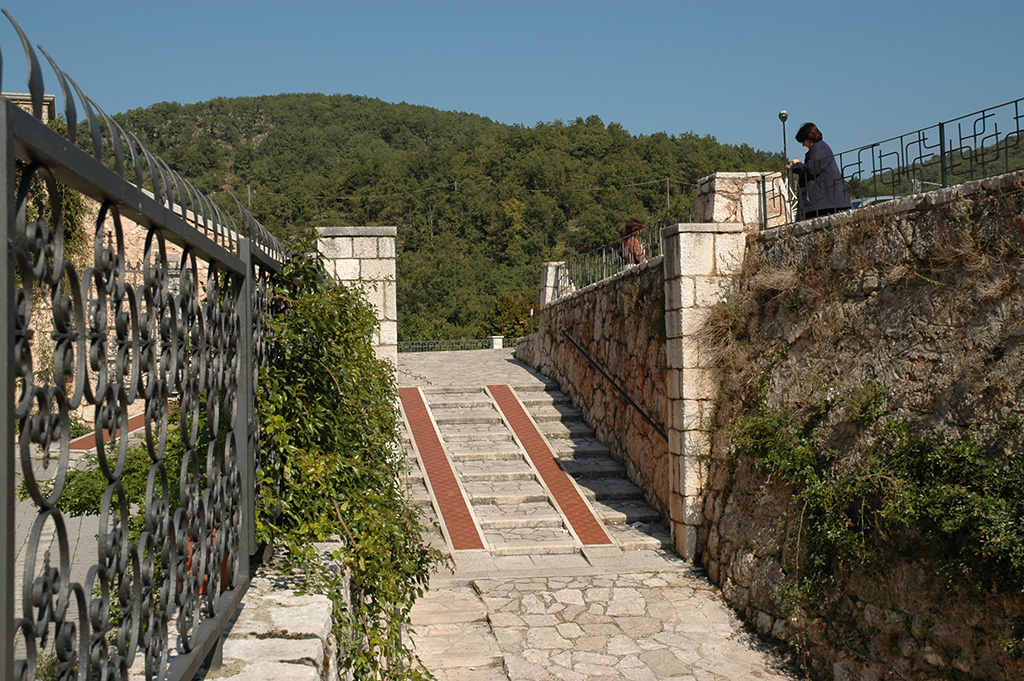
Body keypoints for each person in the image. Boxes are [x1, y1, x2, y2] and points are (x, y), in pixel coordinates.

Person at [786, 122, 851, 220]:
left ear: (809, 138)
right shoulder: (819, 148)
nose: (803, 145)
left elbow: (811, 169)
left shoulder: (820, 148)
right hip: (823, 203)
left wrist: (796, 166)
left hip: (827, 204)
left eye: (803, 141)